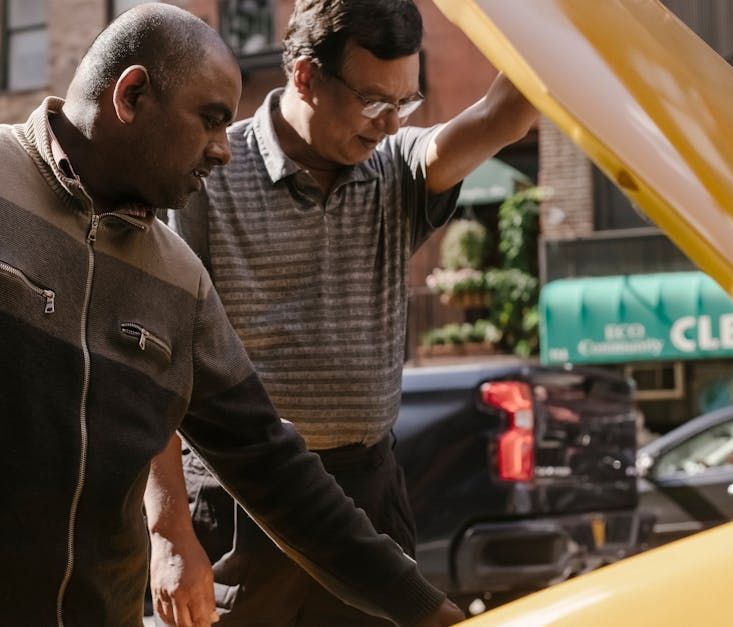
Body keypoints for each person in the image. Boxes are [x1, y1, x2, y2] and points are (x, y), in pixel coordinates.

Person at [0, 4, 463, 627]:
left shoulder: (177, 280)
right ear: (132, 95)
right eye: (211, 119)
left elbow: (275, 468)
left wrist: (428, 612)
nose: (224, 149)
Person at [148, 0, 539, 625]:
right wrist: (167, 530)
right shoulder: (210, 176)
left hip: (368, 496)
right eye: (374, 100)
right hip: (239, 503)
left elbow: (505, 112)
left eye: (405, 102)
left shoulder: (399, 168)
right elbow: (156, 360)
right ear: (305, 76)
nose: (390, 123)